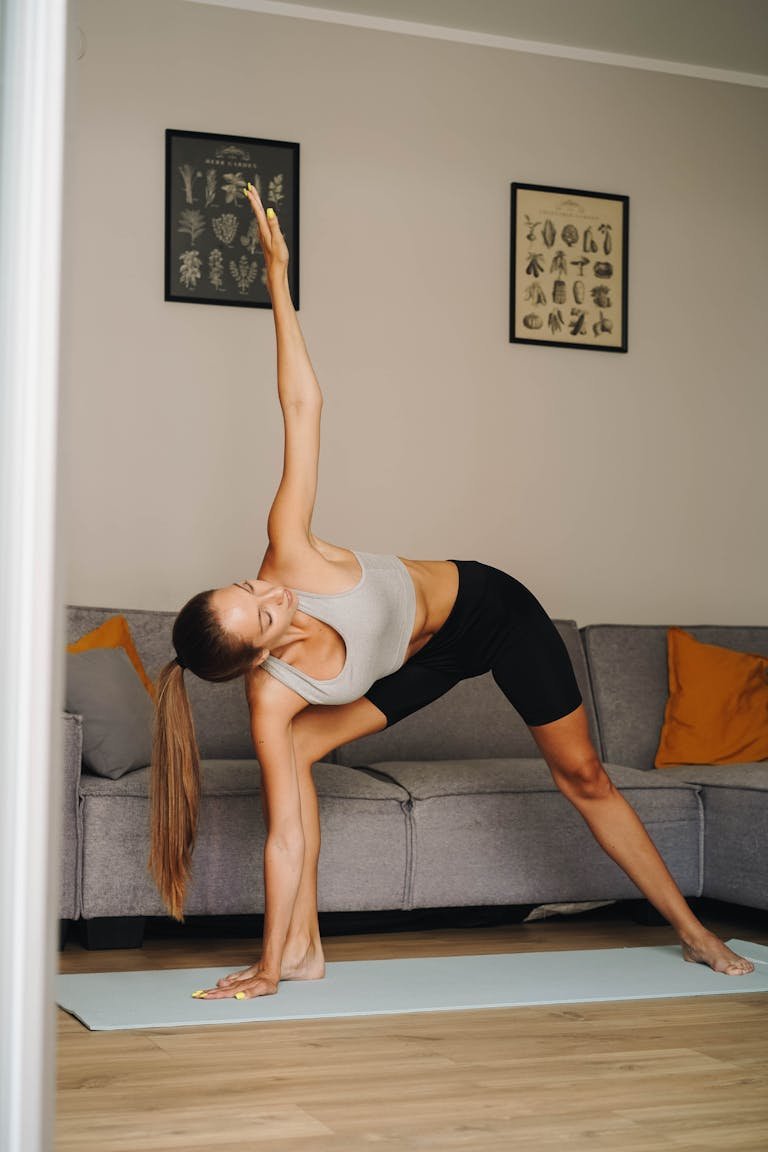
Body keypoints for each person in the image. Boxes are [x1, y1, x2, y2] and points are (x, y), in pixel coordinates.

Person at [150, 185, 753, 1001]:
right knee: (293, 759)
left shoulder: (288, 549)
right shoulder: (272, 701)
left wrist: (277, 282)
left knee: (583, 777)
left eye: (249, 584)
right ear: (258, 656)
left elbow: (303, 404)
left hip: (487, 613)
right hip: (423, 663)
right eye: (263, 612)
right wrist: (258, 969)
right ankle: (298, 954)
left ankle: (693, 932)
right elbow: (284, 837)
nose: (271, 590)